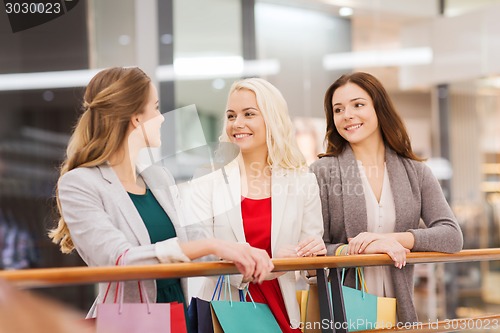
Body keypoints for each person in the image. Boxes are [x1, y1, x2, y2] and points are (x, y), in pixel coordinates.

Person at [48, 67, 273, 318]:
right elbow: (119, 259)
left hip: (178, 314)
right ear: (136, 118)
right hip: (129, 322)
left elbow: (194, 240)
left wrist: (244, 252)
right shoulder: (79, 183)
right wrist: (213, 244)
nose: (162, 117)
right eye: (155, 107)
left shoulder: (159, 178)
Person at [310, 72, 463, 324]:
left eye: (358, 105)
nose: (347, 115)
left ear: (379, 108)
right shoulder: (321, 172)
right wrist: (359, 249)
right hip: (345, 312)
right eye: (338, 109)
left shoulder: (416, 172)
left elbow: (452, 235)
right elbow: (313, 248)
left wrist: (390, 240)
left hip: (399, 310)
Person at [194, 78, 326, 332]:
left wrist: (312, 253)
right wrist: (268, 267)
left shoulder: (302, 180)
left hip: (282, 309)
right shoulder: (208, 179)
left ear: (271, 119)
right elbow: (202, 252)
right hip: (225, 310)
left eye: (249, 114)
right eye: (231, 115)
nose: (237, 123)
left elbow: (309, 258)